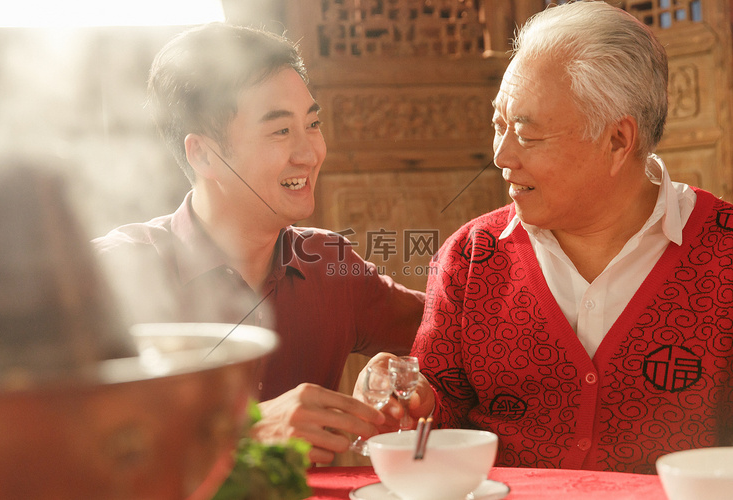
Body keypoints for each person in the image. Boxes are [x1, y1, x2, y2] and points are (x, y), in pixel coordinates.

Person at [363, 1, 733, 474]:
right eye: (499, 126)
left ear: (618, 140)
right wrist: (405, 407)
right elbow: (432, 424)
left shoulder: (722, 250)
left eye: (526, 134)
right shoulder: (472, 256)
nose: (501, 155)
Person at [93, 23, 425, 464]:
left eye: (313, 123)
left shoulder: (330, 265)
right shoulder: (113, 274)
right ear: (203, 155)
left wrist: (398, 379)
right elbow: (64, 436)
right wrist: (243, 429)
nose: (310, 153)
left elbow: (450, 335)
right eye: (280, 131)